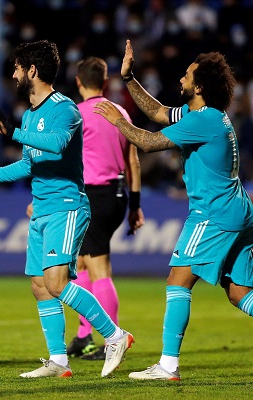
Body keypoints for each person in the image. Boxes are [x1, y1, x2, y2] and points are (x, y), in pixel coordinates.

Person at [93, 39, 253, 383]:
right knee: (239, 291)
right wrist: (129, 79)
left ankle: (168, 365)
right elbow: (157, 113)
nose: (180, 80)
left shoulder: (203, 121)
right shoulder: (205, 114)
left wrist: (116, 121)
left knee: (178, 279)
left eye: (186, 76)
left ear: (199, 86)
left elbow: (149, 141)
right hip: (237, 210)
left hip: (213, 212)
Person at [0, 40, 134, 379]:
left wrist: (15, 134)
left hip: (67, 207)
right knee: (39, 284)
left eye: (17, 68)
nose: (13, 74)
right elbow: (28, 165)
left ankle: (115, 336)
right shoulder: (30, 115)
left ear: (32, 71)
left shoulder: (64, 108)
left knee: (56, 281)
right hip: (42, 210)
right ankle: (58, 361)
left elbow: (57, 143)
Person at [65, 56, 145, 361]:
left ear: (78, 82)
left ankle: (114, 339)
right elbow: (133, 161)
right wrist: (135, 206)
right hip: (118, 195)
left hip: (93, 196)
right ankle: (84, 337)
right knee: (82, 263)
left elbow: (64, 159)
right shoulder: (120, 111)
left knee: (98, 267)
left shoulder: (75, 113)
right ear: (105, 81)